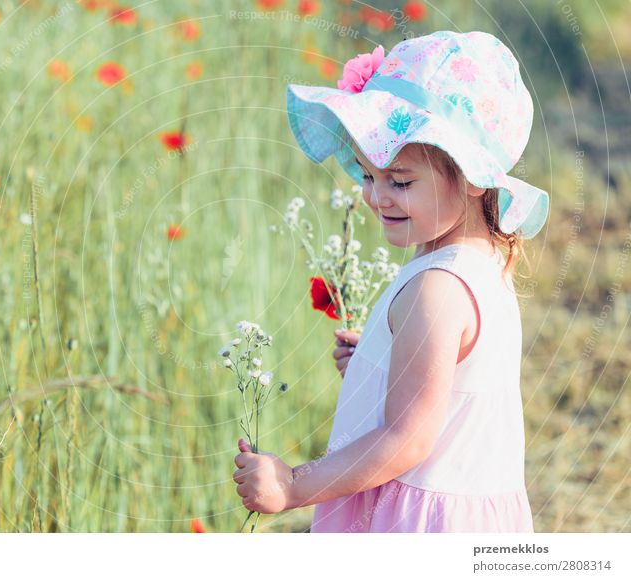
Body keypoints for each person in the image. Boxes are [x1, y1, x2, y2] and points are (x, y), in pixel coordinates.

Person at [232, 30, 549, 532]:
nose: (376, 197)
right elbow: (453, 391)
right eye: (365, 175)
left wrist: (294, 483)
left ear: (471, 176)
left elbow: (408, 439)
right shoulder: (480, 261)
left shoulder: (438, 289)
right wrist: (381, 367)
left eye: (399, 181)